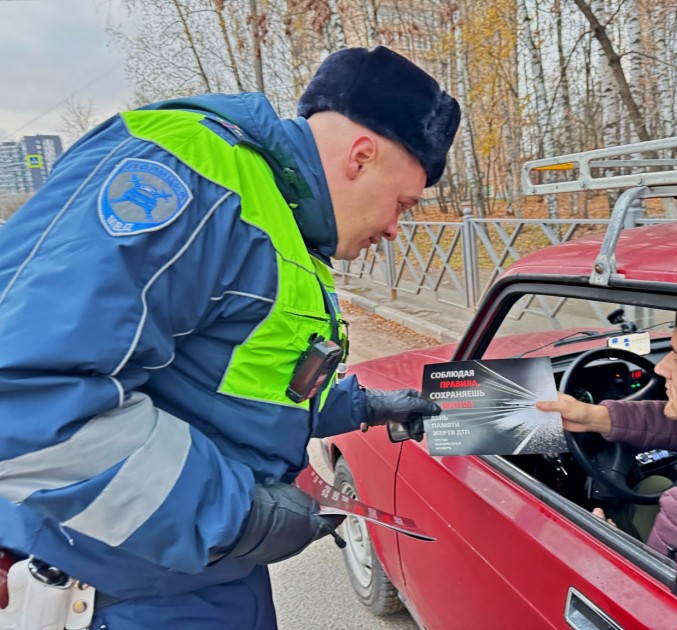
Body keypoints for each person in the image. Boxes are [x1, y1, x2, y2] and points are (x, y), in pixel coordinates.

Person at [0, 46, 459, 628]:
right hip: (126, 593)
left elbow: (238, 380)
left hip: (195, 574)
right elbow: (25, 395)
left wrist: (361, 404)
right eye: (403, 204)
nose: (396, 228)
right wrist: (240, 517)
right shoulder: (191, 178)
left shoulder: (281, 217)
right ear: (361, 157)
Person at [536, 312, 677, 562]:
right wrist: (596, 416)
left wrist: (609, 546)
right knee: (654, 485)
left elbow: (649, 592)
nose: (661, 367)